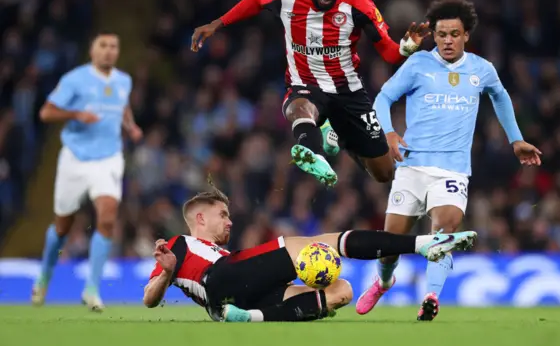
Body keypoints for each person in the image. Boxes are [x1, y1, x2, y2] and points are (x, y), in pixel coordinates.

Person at [355, 0, 542, 321]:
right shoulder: (417, 64)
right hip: (411, 166)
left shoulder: (481, 69)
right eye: (441, 34)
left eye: (454, 34)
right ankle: (384, 282)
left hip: (452, 170)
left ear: (466, 34)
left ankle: (431, 297)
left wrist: (516, 140)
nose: (447, 40)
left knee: (445, 229)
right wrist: (388, 132)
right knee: (389, 244)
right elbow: (383, 97)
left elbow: (500, 96)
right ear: (434, 36)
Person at [190, 0, 429, 187]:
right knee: (299, 108)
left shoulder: (358, 2)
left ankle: (334, 134)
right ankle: (315, 154)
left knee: (383, 173)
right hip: (305, 84)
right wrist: (218, 23)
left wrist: (407, 48)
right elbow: (256, 2)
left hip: (348, 92)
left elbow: (389, 52)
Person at [143, 189, 477, 322]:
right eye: (223, 214)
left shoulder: (222, 250)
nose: (229, 221)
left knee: (340, 291)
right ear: (200, 218)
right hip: (222, 275)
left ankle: (251, 319)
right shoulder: (179, 243)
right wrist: (168, 271)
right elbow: (149, 298)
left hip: (228, 305)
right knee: (315, 243)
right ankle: (422, 245)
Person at [31, 32, 143, 311]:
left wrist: (130, 126)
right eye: (103, 46)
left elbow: (123, 107)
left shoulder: (123, 80)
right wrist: (75, 115)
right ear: (92, 51)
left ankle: (91, 289)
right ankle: (44, 277)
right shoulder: (74, 80)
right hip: (75, 159)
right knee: (62, 227)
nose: (108, 51)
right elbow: (46, 113)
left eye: (113, 46)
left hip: (109, 159)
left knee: (107, 217)